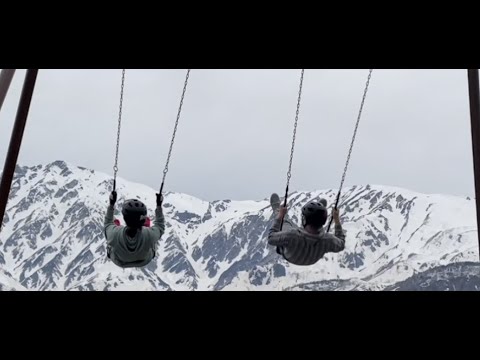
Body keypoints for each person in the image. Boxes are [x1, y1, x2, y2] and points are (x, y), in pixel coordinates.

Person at [267, 193, 346, 266]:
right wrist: (336, 219)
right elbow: (341, 244)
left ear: (304, 220)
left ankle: (277, 211)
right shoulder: (327, 239)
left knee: (285, 223)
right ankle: (317, 214)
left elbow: (271, 238)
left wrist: (280, 215)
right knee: (315, 230)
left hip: (291, 256)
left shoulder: (292, 235)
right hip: (312, 259)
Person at [104, 191, 165, 268]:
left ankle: (117, 224)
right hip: (143, 261)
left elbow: (107, 224)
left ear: (125, 218)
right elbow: (160, 226)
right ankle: (144, 225)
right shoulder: (149, 235)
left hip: (119, 261)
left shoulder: (115, 234)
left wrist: (111, 204)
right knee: (152, 241)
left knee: (112, 227)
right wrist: (159, 206)